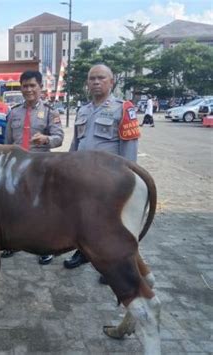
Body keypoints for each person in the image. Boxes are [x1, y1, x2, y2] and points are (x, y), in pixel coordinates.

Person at [63, 64, 140, 280]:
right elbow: (75, 145)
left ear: (111, 82)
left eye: (101, 78)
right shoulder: (83, 110)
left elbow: (129, 150)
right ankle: (83, 252)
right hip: (82, 180)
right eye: (92, 78)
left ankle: (114, 264)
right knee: (84, 221)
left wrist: (127, 182)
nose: (96, 82)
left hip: (109, 182)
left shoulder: (124, 109)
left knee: (112, 225)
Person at [4, 70, 64, 265]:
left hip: (40, 168)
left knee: (42, 209)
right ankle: (13, 243)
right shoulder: (13, 112)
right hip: (16, 168)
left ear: (40, 88)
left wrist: (47, 138)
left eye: (32, 86)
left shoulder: (50, 111)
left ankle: (45, 247)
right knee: (14, 207)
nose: (28, 89)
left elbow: (59, 137)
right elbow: (7, 142)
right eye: (25, 86)